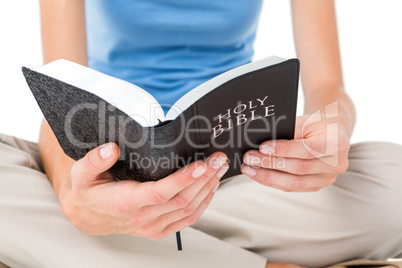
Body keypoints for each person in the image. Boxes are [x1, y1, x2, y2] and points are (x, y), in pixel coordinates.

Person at [0, 0, 401, 267]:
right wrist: (74, 200)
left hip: (237, 167)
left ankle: (134, 239)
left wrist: (331, 134)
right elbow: (60, 93)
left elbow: (328, 85)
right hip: (116, 171)